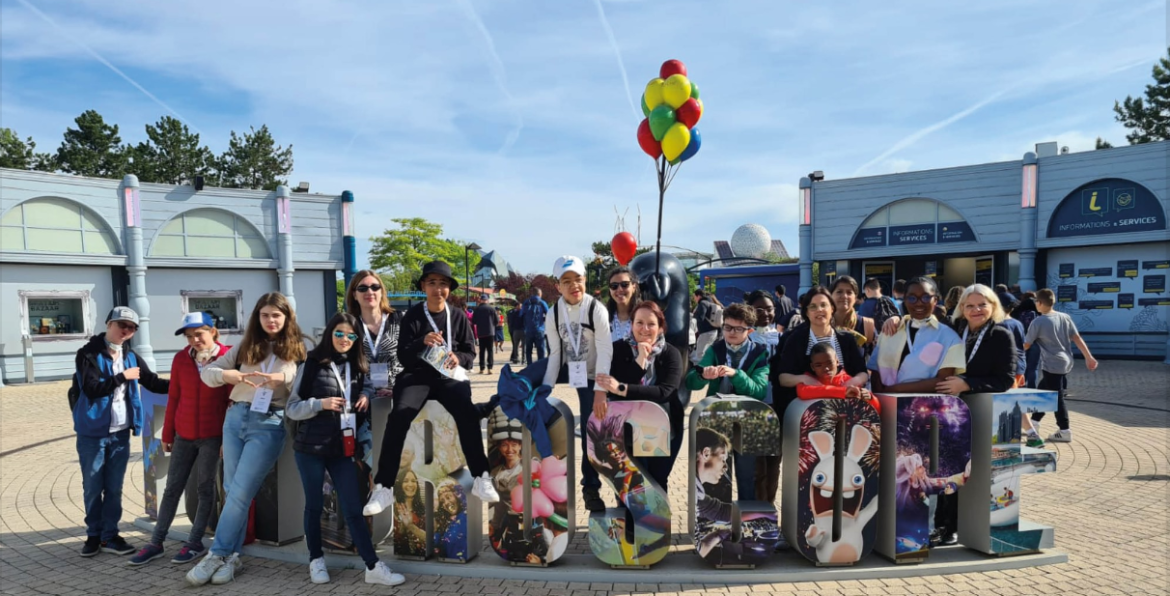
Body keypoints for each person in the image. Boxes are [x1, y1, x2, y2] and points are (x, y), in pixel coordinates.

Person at [363, 261, 500, 517]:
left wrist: (458, 357)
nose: (438, 289)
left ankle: (482, 477)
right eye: (433, 283)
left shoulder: (458, 315)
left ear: (449, 288)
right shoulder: (413, 316)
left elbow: (470, 352)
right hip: (417, 377)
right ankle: (383, 486)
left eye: (443, 283)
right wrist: (421, 342)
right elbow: (403, 356)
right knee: (399, 416)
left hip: (449, 377)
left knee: (468, 414)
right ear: (424, 286)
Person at [188, 293, 304, 587]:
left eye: (277, 315)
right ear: (257, 317)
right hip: (236, 418)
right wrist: (232, 376)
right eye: (265, 315)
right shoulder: (245, 345)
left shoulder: (298, 347)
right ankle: (232, 557)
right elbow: (209, 373)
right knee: (231, 491)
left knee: (240, 492)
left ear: (286, 317)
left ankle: (217, 553)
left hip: (269, 422)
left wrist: (281, 379)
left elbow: (294, 374)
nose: (271, 320)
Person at [285, 312, 406, 587]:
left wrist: (365, 394)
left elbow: (363, 387)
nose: (344, 339)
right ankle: (316, 560)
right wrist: (320, 404)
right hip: (310, 448)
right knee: (314, 506)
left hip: (343, 449)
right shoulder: (312, 363)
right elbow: (292, 408)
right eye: (339, 333)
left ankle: (373, 566)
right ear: (330, 333)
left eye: (351, 335)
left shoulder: (357, 365)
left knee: (354, 507)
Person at [129, 313, 230, 566]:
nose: (194, 340)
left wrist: (226, 439)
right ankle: (156, 542)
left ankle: (195, 542)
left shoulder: (228, 357)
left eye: (199, 334)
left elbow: (232, 401)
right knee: (173, 487)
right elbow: (174, 397)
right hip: (183, 435)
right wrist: (167, 433)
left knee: (205, 488)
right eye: (189, 336)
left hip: (213, 436)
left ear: (213, 332)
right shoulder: (180, 359)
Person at [71, 307, 170, 558]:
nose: (125, 331)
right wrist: (122, 377)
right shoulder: (88, 353)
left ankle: (109, 535)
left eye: (131, 328)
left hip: (120, 433)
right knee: (93, 486)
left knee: (114, 487)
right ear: (108, 324)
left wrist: (186, 382)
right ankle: (93, 535)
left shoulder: (131, 355)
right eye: (121, 325)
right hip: (92, 433)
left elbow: (153, 382)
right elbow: (92, 388)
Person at [932, 284, 1017, 546]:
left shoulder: (1001, 335)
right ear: (962, 309)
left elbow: (1005, 379)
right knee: (947, 470)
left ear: (993, 306)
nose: (976, 310)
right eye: (970, 305)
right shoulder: (956, 330)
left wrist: (967, 383)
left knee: (968, 472)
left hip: (980, 411)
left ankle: (957, 526)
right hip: (950, 411)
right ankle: (942, 525)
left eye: (982, 304)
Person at [542, 255, 613, 512]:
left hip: (600, 375)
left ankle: (593, 484)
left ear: (585, 280)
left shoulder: (596, 309)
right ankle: (590, 486)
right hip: (576, 372)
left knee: (594, 431)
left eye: (578, 279)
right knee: (587, 430)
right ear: (558, 285)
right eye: (566, 281)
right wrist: (546, 390)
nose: (574, 286)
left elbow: (606, 351)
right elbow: (555, 354)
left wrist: (601, 391)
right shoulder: (554, 312)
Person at [594, 301, 684, 492]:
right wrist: (640, 360)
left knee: (657, 482)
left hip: (664, 428)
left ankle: (656, 523)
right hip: (627, 429)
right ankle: (629, 523)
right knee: (630, 484)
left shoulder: (671, 353)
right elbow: (612, 388)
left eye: (651, 324)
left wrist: (622, 388)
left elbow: (665, 392)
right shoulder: (617, 349)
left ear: (660, 327)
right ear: (632, 325)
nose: (645, 329)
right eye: (639, 323)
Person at [685, 303, 769, 501]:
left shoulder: (760, 353)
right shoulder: (715, 349)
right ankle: (719, 526)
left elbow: (759, 390)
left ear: (749, 330)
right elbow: (691, 382)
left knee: (747, 475)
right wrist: (703, 375)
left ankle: (745, 525)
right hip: (716, 419)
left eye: (738, 329)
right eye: (727, 327)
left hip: (748, 421)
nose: (731, 332)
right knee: (718, 476)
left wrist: (736, 374)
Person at [1024, 289, 1099, 443]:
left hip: (1052, 364)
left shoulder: (1038, 322)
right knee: (1043, 391)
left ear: (1039, 303)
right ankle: (1035, 422)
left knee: (1057, 398)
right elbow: (1077, 338)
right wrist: (1088, 357)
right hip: (1065, 362)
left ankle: (1064, 430)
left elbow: (1026, 344)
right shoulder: (1065, 317)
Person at [868, 277, 965, 394]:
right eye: (912, 298)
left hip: (927, 407)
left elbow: (943, 381)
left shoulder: (949, 337)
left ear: (936, 300)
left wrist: (896, 389)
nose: (919, 303)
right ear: (905, 299)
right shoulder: (890, 331)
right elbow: (875, 371)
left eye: (926, 297)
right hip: (886, 405)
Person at [746, 290, 783, 502]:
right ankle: (756, 510)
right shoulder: (745, 337)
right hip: (753, 406)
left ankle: (769, 507)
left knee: (774, 462)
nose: (765, 313)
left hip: (777, 405)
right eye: (759, 309)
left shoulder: (782, 338)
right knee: (756, 464)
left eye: (769, 309)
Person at [346, 269, 402, 405]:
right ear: (354, 294)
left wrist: (401, 389)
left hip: (399, 396)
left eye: (375, 287)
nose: (369, 292)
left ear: (381, 291)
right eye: (363, 288)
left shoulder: (401, 319)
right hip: (361, 399)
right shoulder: (348, 326)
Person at [795, 342, 879, 412]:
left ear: (837, 361)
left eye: (829, 363)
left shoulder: (848, 381)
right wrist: (842, 392)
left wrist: (870, 398)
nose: (826, 368)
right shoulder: (809, 379)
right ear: (812, 367)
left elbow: (876, 411)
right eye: (819, 365)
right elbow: (803, 392)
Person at [830, 276, 875, 350]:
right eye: (839, 292)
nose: (844, 296)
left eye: (849, 292)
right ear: (830, 296)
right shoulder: (821, 325)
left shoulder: (867, 325)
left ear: (855, 298)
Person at [605, 266, 641, 342]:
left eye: (625, 284)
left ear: (634, 287)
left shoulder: (644, 316)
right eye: (614, 286)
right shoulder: (602, 317)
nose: (619, 289)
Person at [692, 289, 722, 365]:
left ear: (698, 296)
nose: (694, 299)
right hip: (714, 331)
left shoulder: (702, 303)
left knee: (700, 353)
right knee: (707, 351)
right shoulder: (710, 302)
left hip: (706, 332)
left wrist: (694, 315)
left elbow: (701, 317)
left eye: (694, 296)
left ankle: (699, 371)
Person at [523, 289, 550, 364]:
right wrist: (543, 319)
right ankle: (540, 366)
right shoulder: (542, 303)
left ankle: (529, 366)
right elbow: (549, 314)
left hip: (528, 330)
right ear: (540, 294)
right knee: (540, 350)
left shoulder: (526, 302)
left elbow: (521, 314)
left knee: (528, 350)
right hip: (539, 329)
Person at [472, 299, 498, 374]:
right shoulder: (491, 308)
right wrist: (492, 325)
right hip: (490, 332)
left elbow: (474, 321)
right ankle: (490, 368)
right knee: (490, 350)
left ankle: (482, 368)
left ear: (480, 300)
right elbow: (496, 321)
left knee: (482, 351)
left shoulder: (477, 309)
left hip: (481, 332)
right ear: (487, 300)